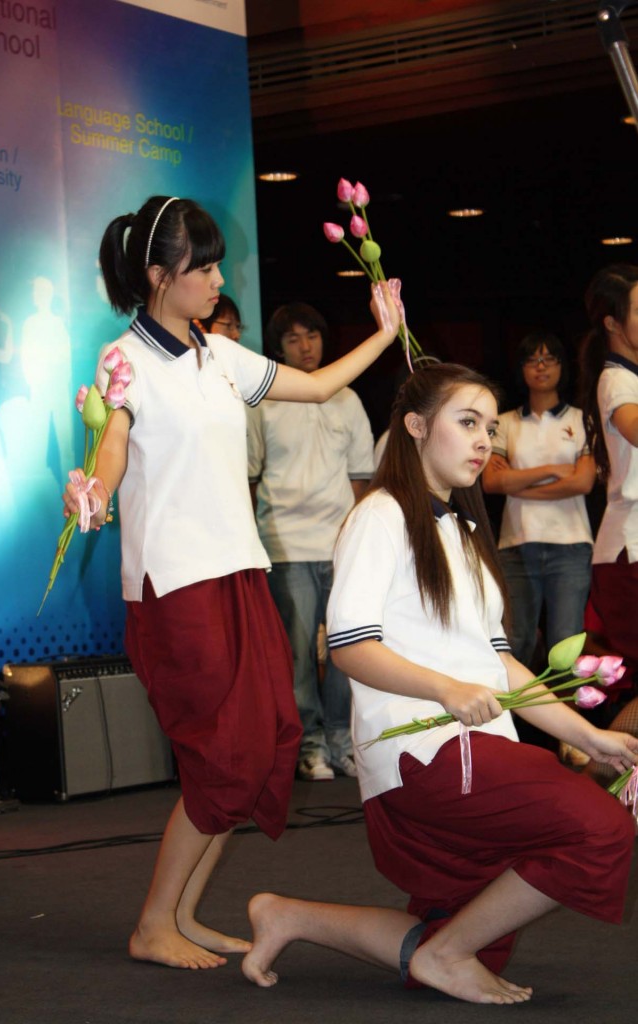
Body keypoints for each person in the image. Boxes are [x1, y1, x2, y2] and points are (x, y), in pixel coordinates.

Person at [61, 195, 400, 972]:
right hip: (176, 585)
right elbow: (111, 445)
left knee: (260, 744)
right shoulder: (124, 363)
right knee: (222, 755)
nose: (217, 280)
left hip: (240, 572)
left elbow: (316, 387)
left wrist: (384, 332)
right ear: (157, 274)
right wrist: (95, 490)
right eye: (202, 267)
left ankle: (178, 914)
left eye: (216, 265)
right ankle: (155, 922)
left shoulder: (221, 356)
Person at [241, 363, 638, 1004]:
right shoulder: (381, 516)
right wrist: (446, 690)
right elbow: (348, 646)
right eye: (468, 422)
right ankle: (450, 954)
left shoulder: (464, 530)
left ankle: (291, 916)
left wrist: (589, 735)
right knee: (602, 830)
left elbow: (501, 663)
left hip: (475, 748)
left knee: (450, 933)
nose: (485, 440)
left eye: (488, 426)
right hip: (425, 752)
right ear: (417, 427)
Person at [247, 302, 374, 781]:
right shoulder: (264, 402)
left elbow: (361, 478)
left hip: (339, 543)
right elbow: (251, 475)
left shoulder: (348, 398)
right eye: (294, 339)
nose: (306, 347)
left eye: (313, 336)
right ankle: (310, 744)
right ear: (278, 348)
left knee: (348, 648)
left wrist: (352, 536)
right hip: (286, 543)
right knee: (299, 651)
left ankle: (343, 739)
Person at [482, 331, 595, 670]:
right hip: (516, 542)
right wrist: (554, 470)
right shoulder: (504, 423)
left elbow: (583, 482)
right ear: (521, 369)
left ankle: (567, 722)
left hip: (571, 544)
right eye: (532, 360)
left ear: (563, 366)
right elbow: (491, 481)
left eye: (549, 359)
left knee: (566, 643)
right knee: (516, 641)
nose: (540, 367)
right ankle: (511, 722)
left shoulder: (580, 419)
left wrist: (518, 485)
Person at [578, 264, 638, 692]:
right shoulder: (616, 378)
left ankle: (592, 753)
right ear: (613, 324)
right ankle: (593, 753)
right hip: (629, 548)